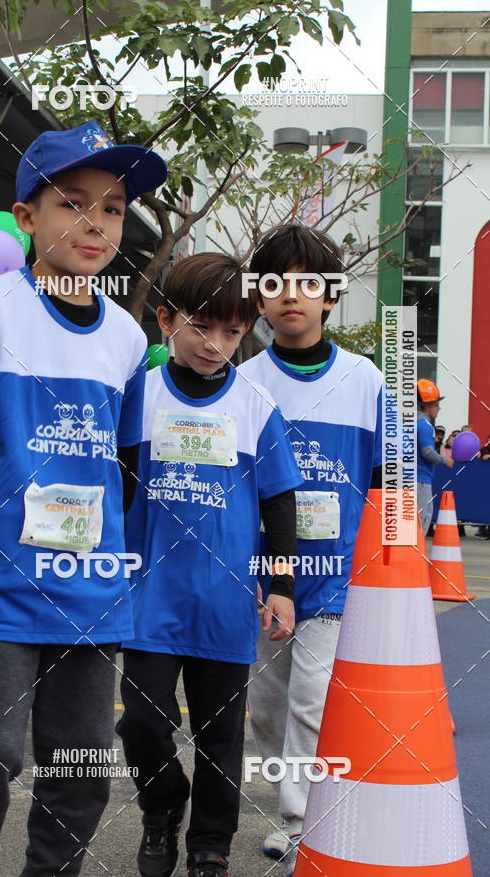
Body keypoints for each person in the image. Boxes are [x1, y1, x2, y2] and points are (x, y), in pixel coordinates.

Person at [0, 119, 168, 877]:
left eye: (111, 209)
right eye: (72, 203)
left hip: (92, 593)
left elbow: (130, 461)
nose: (94, 223)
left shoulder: (122, 335)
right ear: (25, 218)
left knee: (79, 767)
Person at [117, 252, 302, 877]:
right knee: (141, 722)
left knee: (221, 739)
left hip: (224, 604)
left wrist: (280, 584)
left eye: (232, 331)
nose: (217, 344)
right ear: (167, 319)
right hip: (149, 598)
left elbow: (280, 502)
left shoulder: (255, 404)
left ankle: (208, 846)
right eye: (202, 326)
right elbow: (116, 489)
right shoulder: (136, 396)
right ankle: (163, 805)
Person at [237, 224, 386, 876]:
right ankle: (285, 800)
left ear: (330, 298)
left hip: (333, 580)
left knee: (311, 698)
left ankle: (301, 819)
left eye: (307, 282)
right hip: (261, 579)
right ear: (259, 297)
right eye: (274, 282)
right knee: (264, 707)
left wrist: (389, 571)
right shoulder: (242, 381)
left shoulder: (367, 380)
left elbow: (394, 480)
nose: (290, 295)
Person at [417, 378, 454, 535]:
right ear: (427, 406)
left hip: (411, 478)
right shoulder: (425, 426)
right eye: (436, 405)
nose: (439, 409)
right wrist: (446, 460)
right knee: (422, 518)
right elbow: (428, 453)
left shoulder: (410, 422)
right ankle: (416, 557)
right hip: (420, 481)